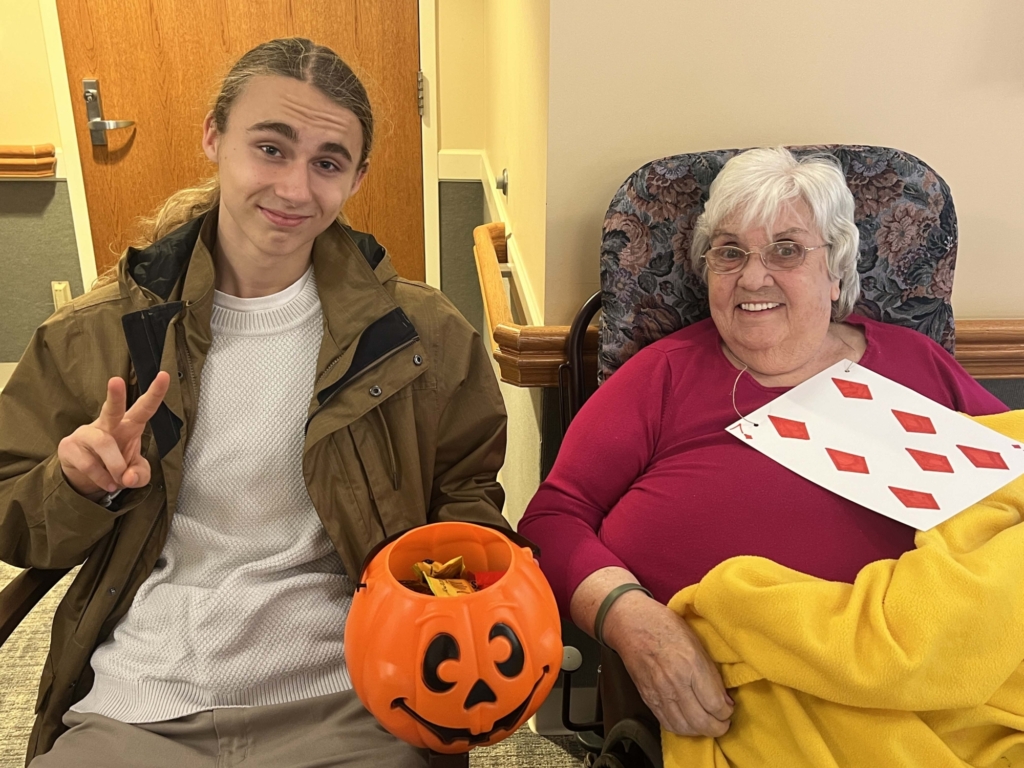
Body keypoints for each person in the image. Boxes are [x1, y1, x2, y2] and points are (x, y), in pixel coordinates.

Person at [0, 38, 506, 768]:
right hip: (145, 701)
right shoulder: (97, 335)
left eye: (328, 162)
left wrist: (468, 592)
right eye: (270, 148)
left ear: (358, 177)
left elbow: (467, 490)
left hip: (355, 693)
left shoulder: (422, 336)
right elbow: (13, 521)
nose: (295, 188)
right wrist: (76, 486)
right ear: (214, 136)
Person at [518, 147, 1008, 740]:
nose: (752, 278)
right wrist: (631, 619)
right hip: (727, 710)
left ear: (836, 270)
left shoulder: (916, 363)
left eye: (787, 250)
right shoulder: (662, 377)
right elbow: (553, 519)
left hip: (927, 694)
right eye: (729, 252)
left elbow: (1010, 497)